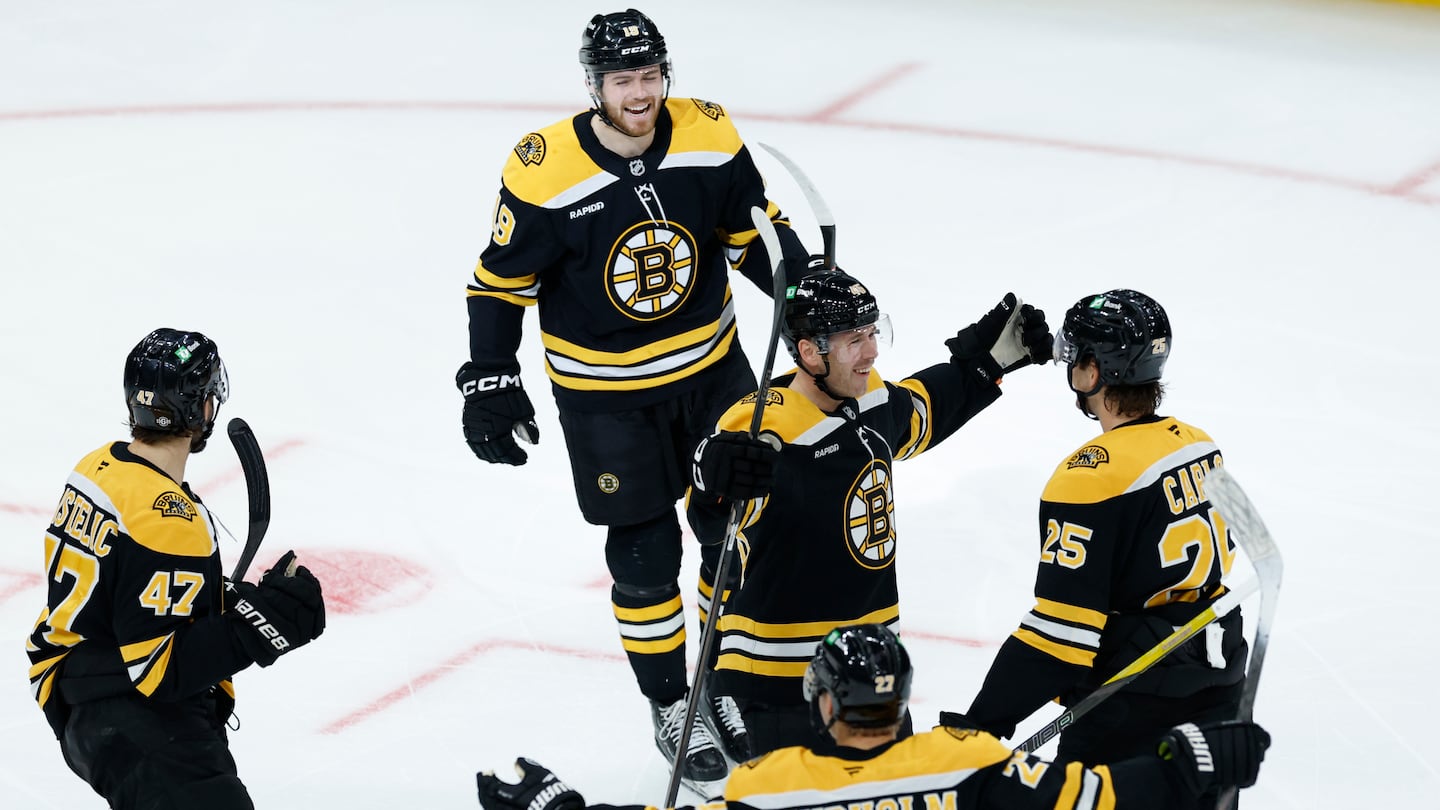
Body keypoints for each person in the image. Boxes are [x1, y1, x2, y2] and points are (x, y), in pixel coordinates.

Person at [454, 7, 809, 783]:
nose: (639, 94)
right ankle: (670, 699)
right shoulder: (544, 166)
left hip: (713, 371)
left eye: (649, 77)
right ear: (595, 86)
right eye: (623, 80)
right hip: (607, 399)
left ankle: (727, 677)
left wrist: (807, 286)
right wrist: (491, 379)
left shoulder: (710, 133)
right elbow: (498, 284)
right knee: (646, 555)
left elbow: (752, 235)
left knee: (736, 521)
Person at [680, 265, 1052, 758]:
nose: (872, 350)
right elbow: (712, 524)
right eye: (855, 339)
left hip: (873, 669)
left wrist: (984, 367)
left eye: (873, 332)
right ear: (811, 351)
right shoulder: (763, 427)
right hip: (783, 677)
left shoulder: (870, 398)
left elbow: (923, 409)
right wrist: (712, 480)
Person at [955, 289, 1249, 808]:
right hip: (1214, 686)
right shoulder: (1200, 443)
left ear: (1093, 372)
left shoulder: (1090, 474)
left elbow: (1061, 636)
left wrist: (982, 723)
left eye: (1077, 358)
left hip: (1130, 705)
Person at [475, 623, 1271, 810]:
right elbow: (1097, 798)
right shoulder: (971, 763)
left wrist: (559, 807)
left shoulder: (767, 786)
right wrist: (1190, 761)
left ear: (822, 701)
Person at [25, 328, 326, 810]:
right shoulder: (168, 518)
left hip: (77, 688)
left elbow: (124, 590)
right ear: (202, 407)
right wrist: (260, 625)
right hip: (133, 721)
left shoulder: (100, 465)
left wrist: (225, 603)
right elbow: (157, 672)